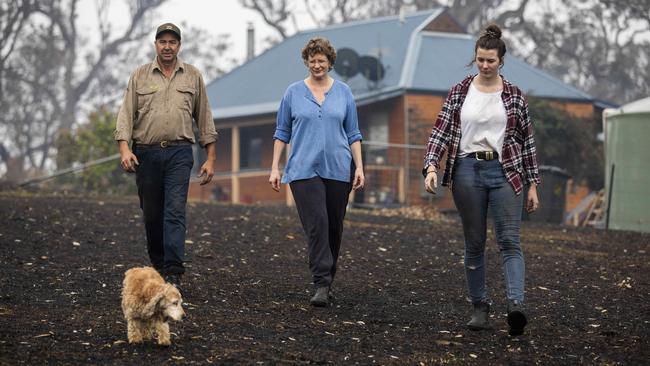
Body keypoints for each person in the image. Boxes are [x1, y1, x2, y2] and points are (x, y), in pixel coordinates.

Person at [422, 24, 540, 336]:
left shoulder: (514, 96)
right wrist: (432, 165)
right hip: (466, 171)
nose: (485, 65)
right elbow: (441, 131)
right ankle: (479, 306)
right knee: (474, 242)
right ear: (475, 59)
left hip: (505, 172)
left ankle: (515, 306)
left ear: (502, 60)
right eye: (480, 60)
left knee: (509, 240)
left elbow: (527, 141)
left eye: (490, 60)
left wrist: (533, 184)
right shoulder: (460, 91)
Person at [114, 23, 218, 290]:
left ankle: (173, 270)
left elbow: (204, 118)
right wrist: (125, 150)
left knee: (174, 211)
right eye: (163, 42)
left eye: (173, 42)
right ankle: (158, 264)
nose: (168, 46)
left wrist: (211, 157)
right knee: (152, 214)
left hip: (180, 153)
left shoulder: (192, 76)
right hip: (146, 154)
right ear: (156, 45)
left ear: (179, 46)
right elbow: (125, 116)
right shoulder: (139, 76)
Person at [269, 37, 365, 307]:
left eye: (321, 60)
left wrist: (359, 167)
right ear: (306, 62)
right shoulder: (293, 92)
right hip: (302, 169)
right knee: (318, 224)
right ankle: (320, 282)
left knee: (334, 226)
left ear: (330, 62)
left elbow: (353, 133)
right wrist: (275, 167)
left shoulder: (344, 92)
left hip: (338, 168)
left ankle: (327, 280)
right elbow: (282, 132)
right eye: (312, 60)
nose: (317, 65)